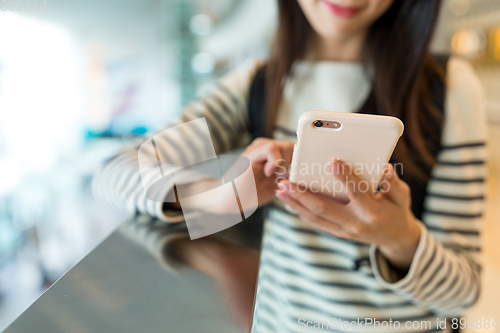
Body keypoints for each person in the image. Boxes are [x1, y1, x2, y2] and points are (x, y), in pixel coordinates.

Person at [92, 0, 488, 332]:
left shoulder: (449, 87)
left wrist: (400, 239)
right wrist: (213, 198)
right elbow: (114, 172)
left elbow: (464, 291)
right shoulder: (259, 83)